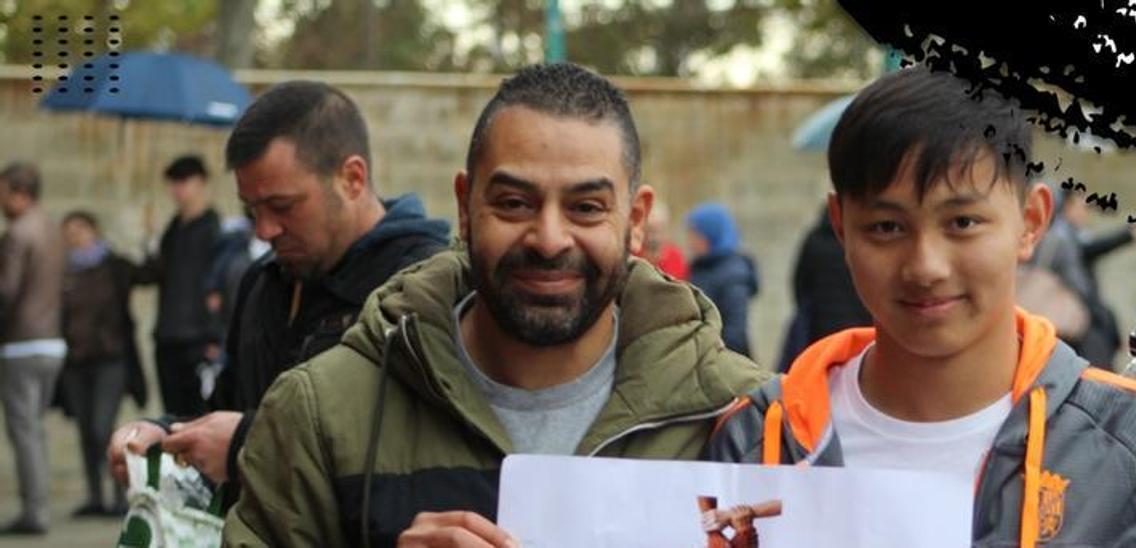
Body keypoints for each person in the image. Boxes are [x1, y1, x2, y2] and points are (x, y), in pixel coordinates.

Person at [222, 63, 772, 547]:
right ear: (465, 206)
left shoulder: (747, 421)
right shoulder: (320, 415)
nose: (550, 238)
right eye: (513, 203)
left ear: (635, 220)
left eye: (585, 207)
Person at [707, 67, 1136, 546]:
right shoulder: (754, 440)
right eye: (886, 227)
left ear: (1030, 221)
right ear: (841, 227)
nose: (926, 265)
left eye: (962, 223)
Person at [106, 81, 453, 509]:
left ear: (352, 178)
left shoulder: (427, 285)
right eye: (252, 210)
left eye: (283, 206)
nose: (264, 230)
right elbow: (226, 409)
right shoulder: (262, 282)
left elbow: (425, 455)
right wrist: (166, 434)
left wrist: (245, 446)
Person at [59, 211, 147, 517]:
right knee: (85, 430)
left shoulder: (114, 266)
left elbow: (149, 272)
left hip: (111, 360)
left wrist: (148, 238)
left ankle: (121, 495)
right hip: (76, 362)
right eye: (68, 231)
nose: (74, 236)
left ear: (94, 230)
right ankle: (95, 496)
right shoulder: (63, 272)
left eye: (80, 229)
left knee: (101, 426)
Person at [0, 162, 65, 535]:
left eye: (5, 192)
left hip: (21, 344)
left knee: (24, 432)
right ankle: (38, 507)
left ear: (20, 194)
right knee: (34, 430)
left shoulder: (17, 234)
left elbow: (5, 291)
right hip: (51, 342)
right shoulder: (53, 230)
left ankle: (35, 512)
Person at [133, 155, 222, 417]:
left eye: (184, 182)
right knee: (172, 417)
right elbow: (152, 274)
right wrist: (150, 239)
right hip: (168, 336)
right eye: (173, 183)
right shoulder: (173, 229)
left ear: (201, 182)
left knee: (199, 415)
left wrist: (215, 335)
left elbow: (219, 289)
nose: (178, 190)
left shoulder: (213, 229)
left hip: (199, 338)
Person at [1037, 189, 1136, 368]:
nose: (1086, 212)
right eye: (1083, 207)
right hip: (1074, 325)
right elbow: (1091, 252)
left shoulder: (1069, 235)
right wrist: (1130, 234)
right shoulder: (1060, 238)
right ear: (1068, 207)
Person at [778, 205, 872, 371]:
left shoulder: (814, 240)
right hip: (861, 323)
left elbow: (800, 284)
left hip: (821, 329)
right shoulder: (864, 242)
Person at [687, 203, 758, 358]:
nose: (690, 241)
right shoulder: (701, 268)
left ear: (710, 235)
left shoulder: (733, 275)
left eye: (695, 233)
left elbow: (735, 333)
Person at [641, 199, 689, 280]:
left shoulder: (675, 257)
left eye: (658, 230)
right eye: (650, 230)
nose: (653, 237)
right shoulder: (634, 254)